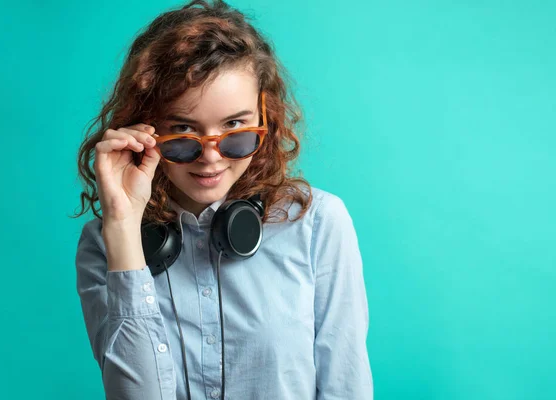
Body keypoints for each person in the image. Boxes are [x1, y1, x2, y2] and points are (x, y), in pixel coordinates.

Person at [74, 1, 373, 399]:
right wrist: (124, 228)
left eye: (234, 128)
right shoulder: (105, 244)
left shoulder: (317, 224)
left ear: (265, 118)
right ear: (145, 129)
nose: (211, 157)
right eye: (183, 130)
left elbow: (345, 388)